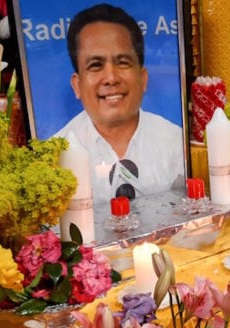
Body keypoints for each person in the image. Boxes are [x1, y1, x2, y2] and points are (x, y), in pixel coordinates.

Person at [54, 3, 185, 203]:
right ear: (77, 85)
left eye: (122, 62)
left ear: (143, 78)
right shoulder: (54, 158)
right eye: (95, 65)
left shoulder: (177, 144)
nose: (111, 78)